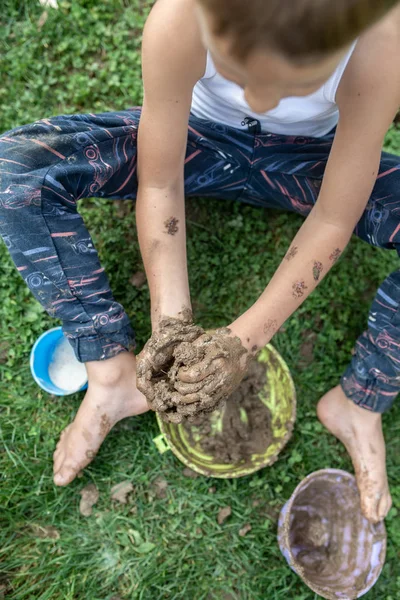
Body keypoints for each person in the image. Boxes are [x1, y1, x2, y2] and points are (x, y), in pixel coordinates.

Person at [0, 0, 399, 523]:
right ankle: (110, 371)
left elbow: (331, 219)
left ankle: (360, 400)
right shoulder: (180, 16)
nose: (260, 98)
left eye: (288, 84)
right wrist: (171, 326)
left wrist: (241, 343)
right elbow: (161, 181)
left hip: (309, 161)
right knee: (18, 171)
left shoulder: (380, 41)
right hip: (199, 143)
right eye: (243, 75)